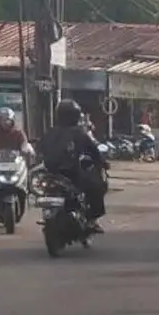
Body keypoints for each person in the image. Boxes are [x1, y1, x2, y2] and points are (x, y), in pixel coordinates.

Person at [39, 99, 108, 231]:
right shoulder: (79, 133)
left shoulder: (49, 133)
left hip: (50, 173)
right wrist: (102, 163)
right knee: (97, 186)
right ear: (76, 116)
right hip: (71, 173)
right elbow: (93, 151)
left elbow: (39, 150)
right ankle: (92, 220)